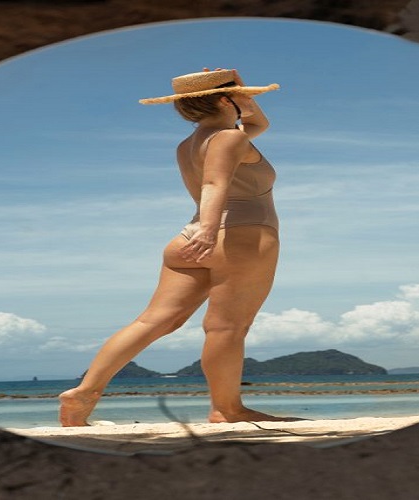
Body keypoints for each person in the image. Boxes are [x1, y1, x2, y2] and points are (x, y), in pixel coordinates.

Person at [59, 68, 291, 426]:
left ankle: (84, 391)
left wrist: (240, 102)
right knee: (226, 327)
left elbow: (258, 127)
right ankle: (226, 409)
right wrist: (211, 231)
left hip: (187, 237)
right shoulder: (229, 139)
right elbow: (215, 183)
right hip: (241, 236)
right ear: (225, 99)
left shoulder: (192, 144)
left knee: (152, 320)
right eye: (240, 93)